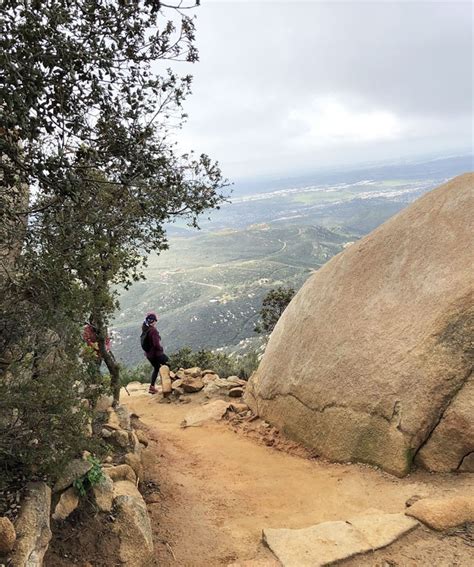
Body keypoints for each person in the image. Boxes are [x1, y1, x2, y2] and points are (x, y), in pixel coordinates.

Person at [141, 312, 169, 394]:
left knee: (157, 368)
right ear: (153, 321)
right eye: (155, 321)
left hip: (149, 355)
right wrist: (161, 349)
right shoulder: (153, 331)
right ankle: (170, 385)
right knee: (170, 364)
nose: (156, 322)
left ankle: (152, 387)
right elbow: (156, 344)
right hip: (157, 354)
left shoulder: (145, 329)